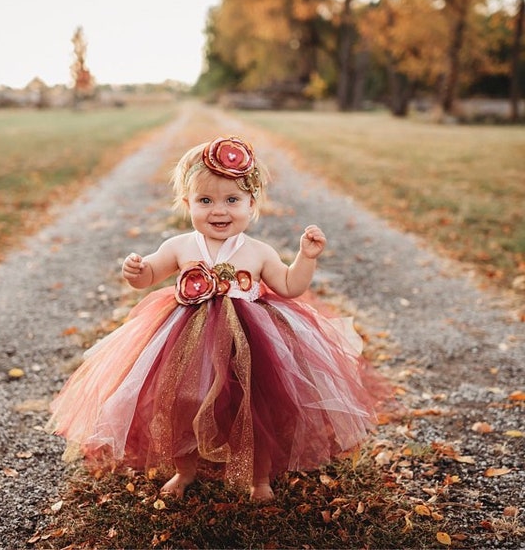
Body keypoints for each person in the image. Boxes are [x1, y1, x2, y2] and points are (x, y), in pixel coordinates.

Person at [47, 135, 386, 502]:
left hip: (250, 341)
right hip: (184, 341)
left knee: (254, 408)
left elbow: (289, 286)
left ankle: (259, 478)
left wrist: (306, 257)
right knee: (181, 402)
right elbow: (148, 277)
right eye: (205, 201)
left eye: (232, 200)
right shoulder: (179, 246)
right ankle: (184, 470)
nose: (219, 211)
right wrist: (137, 270)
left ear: (252, 204)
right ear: (186, 203)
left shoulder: (257, 252)